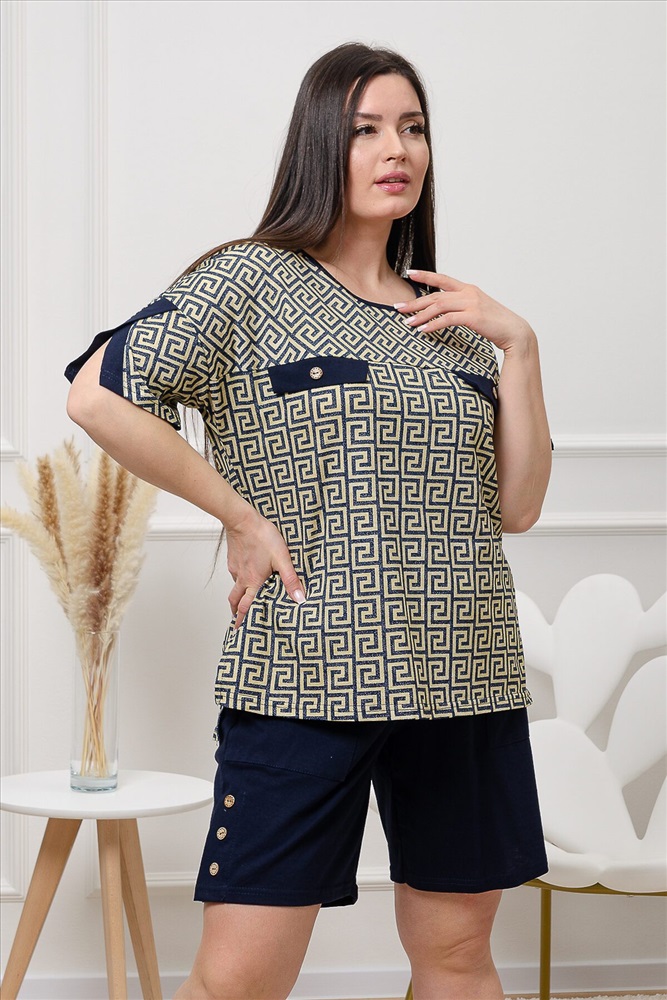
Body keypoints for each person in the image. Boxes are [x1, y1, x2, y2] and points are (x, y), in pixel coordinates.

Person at [66, 42, 551, 1000]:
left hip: (466, 670)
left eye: (412, 128)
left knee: (457, 957)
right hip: (306, 665)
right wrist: (240, 517)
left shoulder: (451, 319)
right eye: (367, 129)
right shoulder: (248, 279)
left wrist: (520, 347)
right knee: (238, 979)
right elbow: (97, 395)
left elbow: (517, 507)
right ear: (320, 141)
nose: (396, 149)